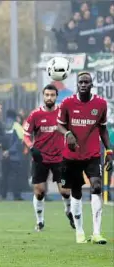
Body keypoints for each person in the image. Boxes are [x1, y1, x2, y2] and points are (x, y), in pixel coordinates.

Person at [57, 72, 113, 244]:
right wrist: (67, 133)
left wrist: (109, 151)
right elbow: (59, 124)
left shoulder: (100, 104)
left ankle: (96, 232)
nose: (83, 84)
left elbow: (102, 129)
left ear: (91, 85)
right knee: (76, 191)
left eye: (86, 82)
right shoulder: (67, 103)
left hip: (92, 154)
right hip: (72, 156)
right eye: (80, 82)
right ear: (77, 84)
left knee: (96, 186)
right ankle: (80, 231)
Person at [23, 84, 74, 231]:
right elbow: (26, 134)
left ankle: (68, 210)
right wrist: (32, 147)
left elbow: (72, 131)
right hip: (40, 158)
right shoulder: (35, 114)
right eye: (47, 95)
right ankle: (40, 221)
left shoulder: (63, 114)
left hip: (60, 158)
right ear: (43, 96)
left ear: (56, 96)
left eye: (52, 95)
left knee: (65, 190)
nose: (49, 98)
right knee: (39, 191)